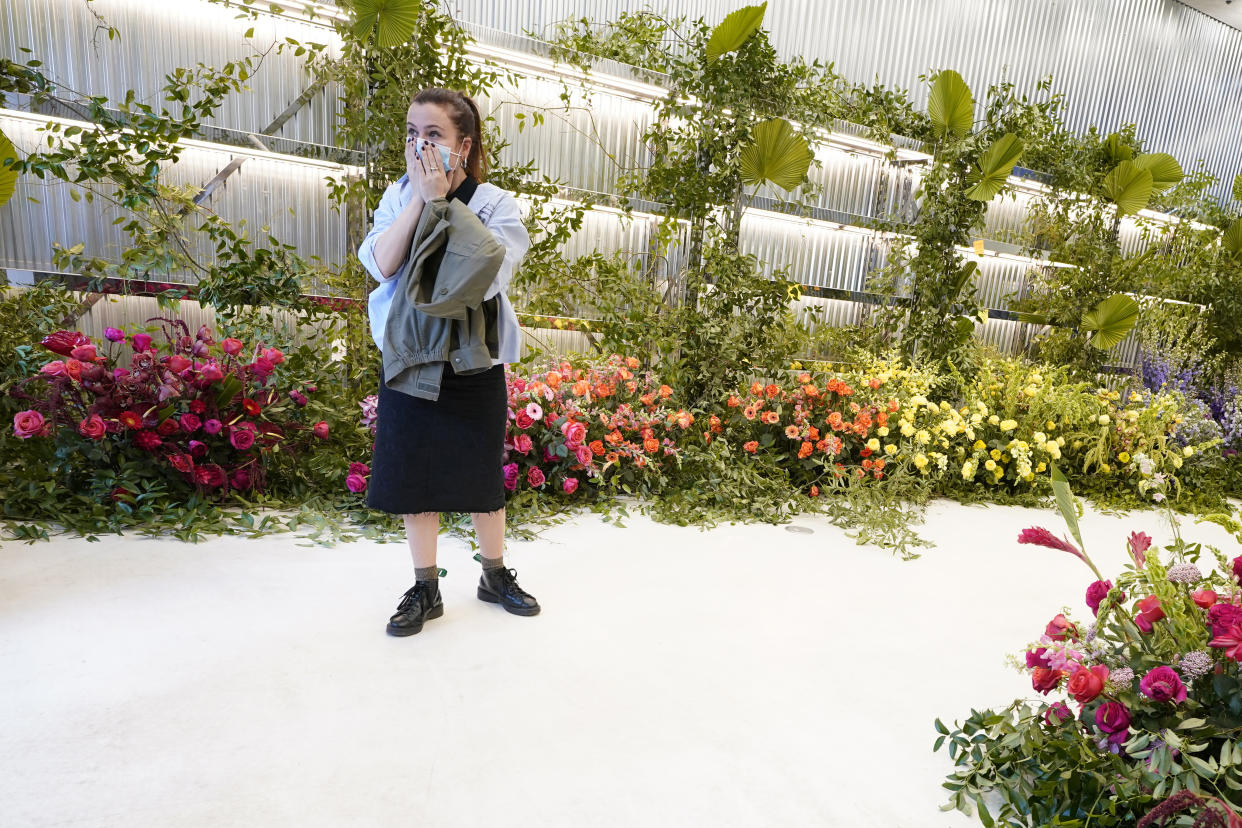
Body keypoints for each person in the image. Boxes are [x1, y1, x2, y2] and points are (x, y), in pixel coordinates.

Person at [357, 87, 540, 637]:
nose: (419, 145)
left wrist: (444, 206)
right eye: (412, 133)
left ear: (464, 145)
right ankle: (426, 587)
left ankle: (493, 573)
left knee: (481, 470)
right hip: (411, 357)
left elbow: (480, 279)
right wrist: (421, 199)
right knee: (414, 473)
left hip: (474, 359)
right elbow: (383, 264)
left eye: (433, 135)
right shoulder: (397, 196)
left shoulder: (494, 205)